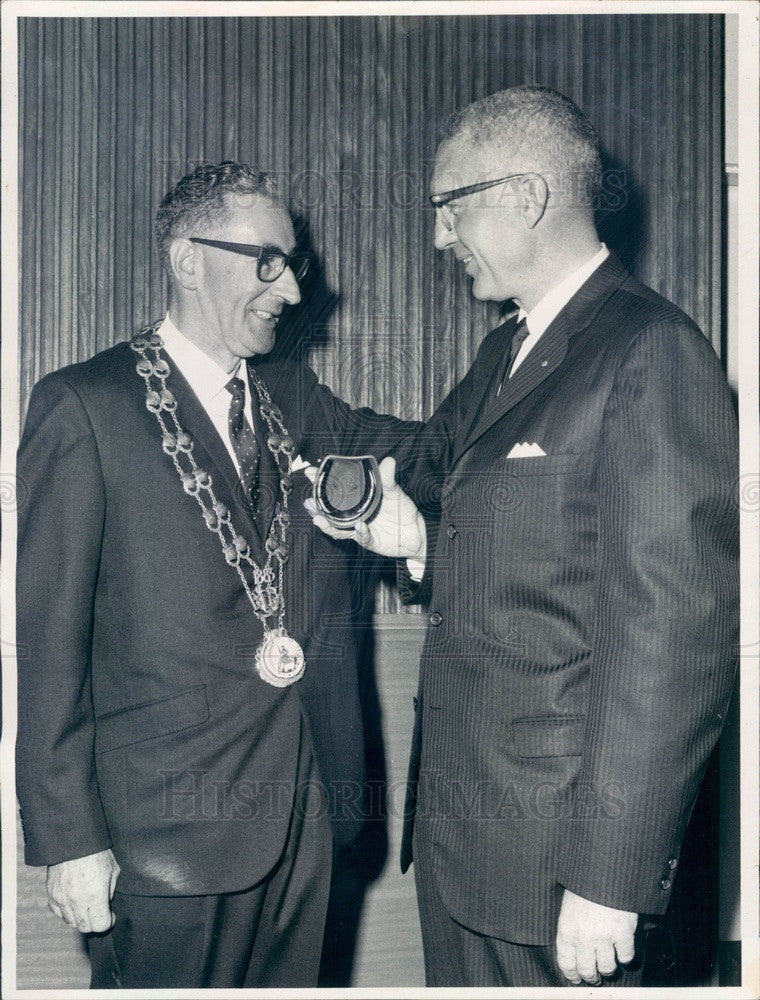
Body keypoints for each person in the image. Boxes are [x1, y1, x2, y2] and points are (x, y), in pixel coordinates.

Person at [307, 86, 739, 987]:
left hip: (563, 874)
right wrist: (412, 535)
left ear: (526, 197)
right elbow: (459, 494)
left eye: (448, 206)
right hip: (470, 856)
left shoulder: (651, 351)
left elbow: (675, 638)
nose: (439, 236)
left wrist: (610, 879)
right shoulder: (506, 352)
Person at [16, 161, 416, 989]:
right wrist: (68, 840)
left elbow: (417, 446)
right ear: (187, 257)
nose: (293, 292)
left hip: (305, 818)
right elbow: (50, 646)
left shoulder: (292, 399)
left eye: (292, 264)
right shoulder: (84, 405)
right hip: (160, 842)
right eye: (266, 260)